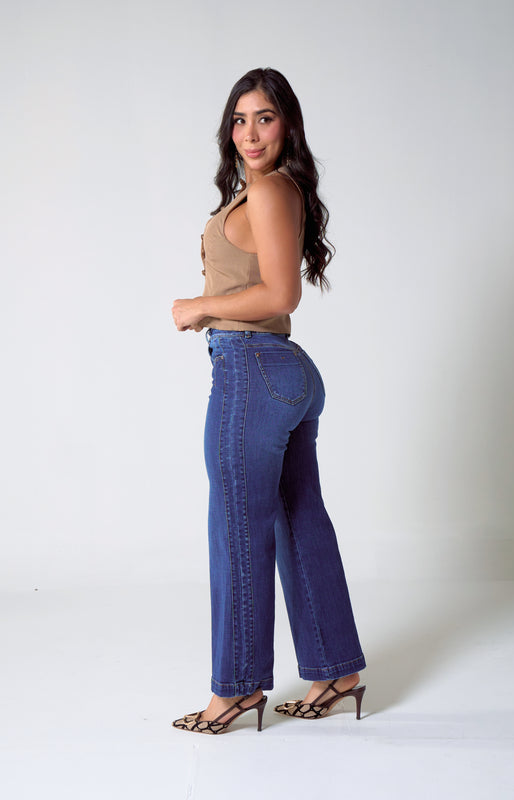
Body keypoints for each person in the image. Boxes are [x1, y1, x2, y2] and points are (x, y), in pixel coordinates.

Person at [171, 68, 366, 735]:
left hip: (252, 369)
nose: (250, 133)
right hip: (280, 371)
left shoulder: (269, 189)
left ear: (288, 126)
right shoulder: (267, 190)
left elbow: (282, 295)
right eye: (240, 119)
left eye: (265, 118)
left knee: (237, 529)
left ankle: (235, 690)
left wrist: (198, 307)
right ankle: (336, 672)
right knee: (297, 518)